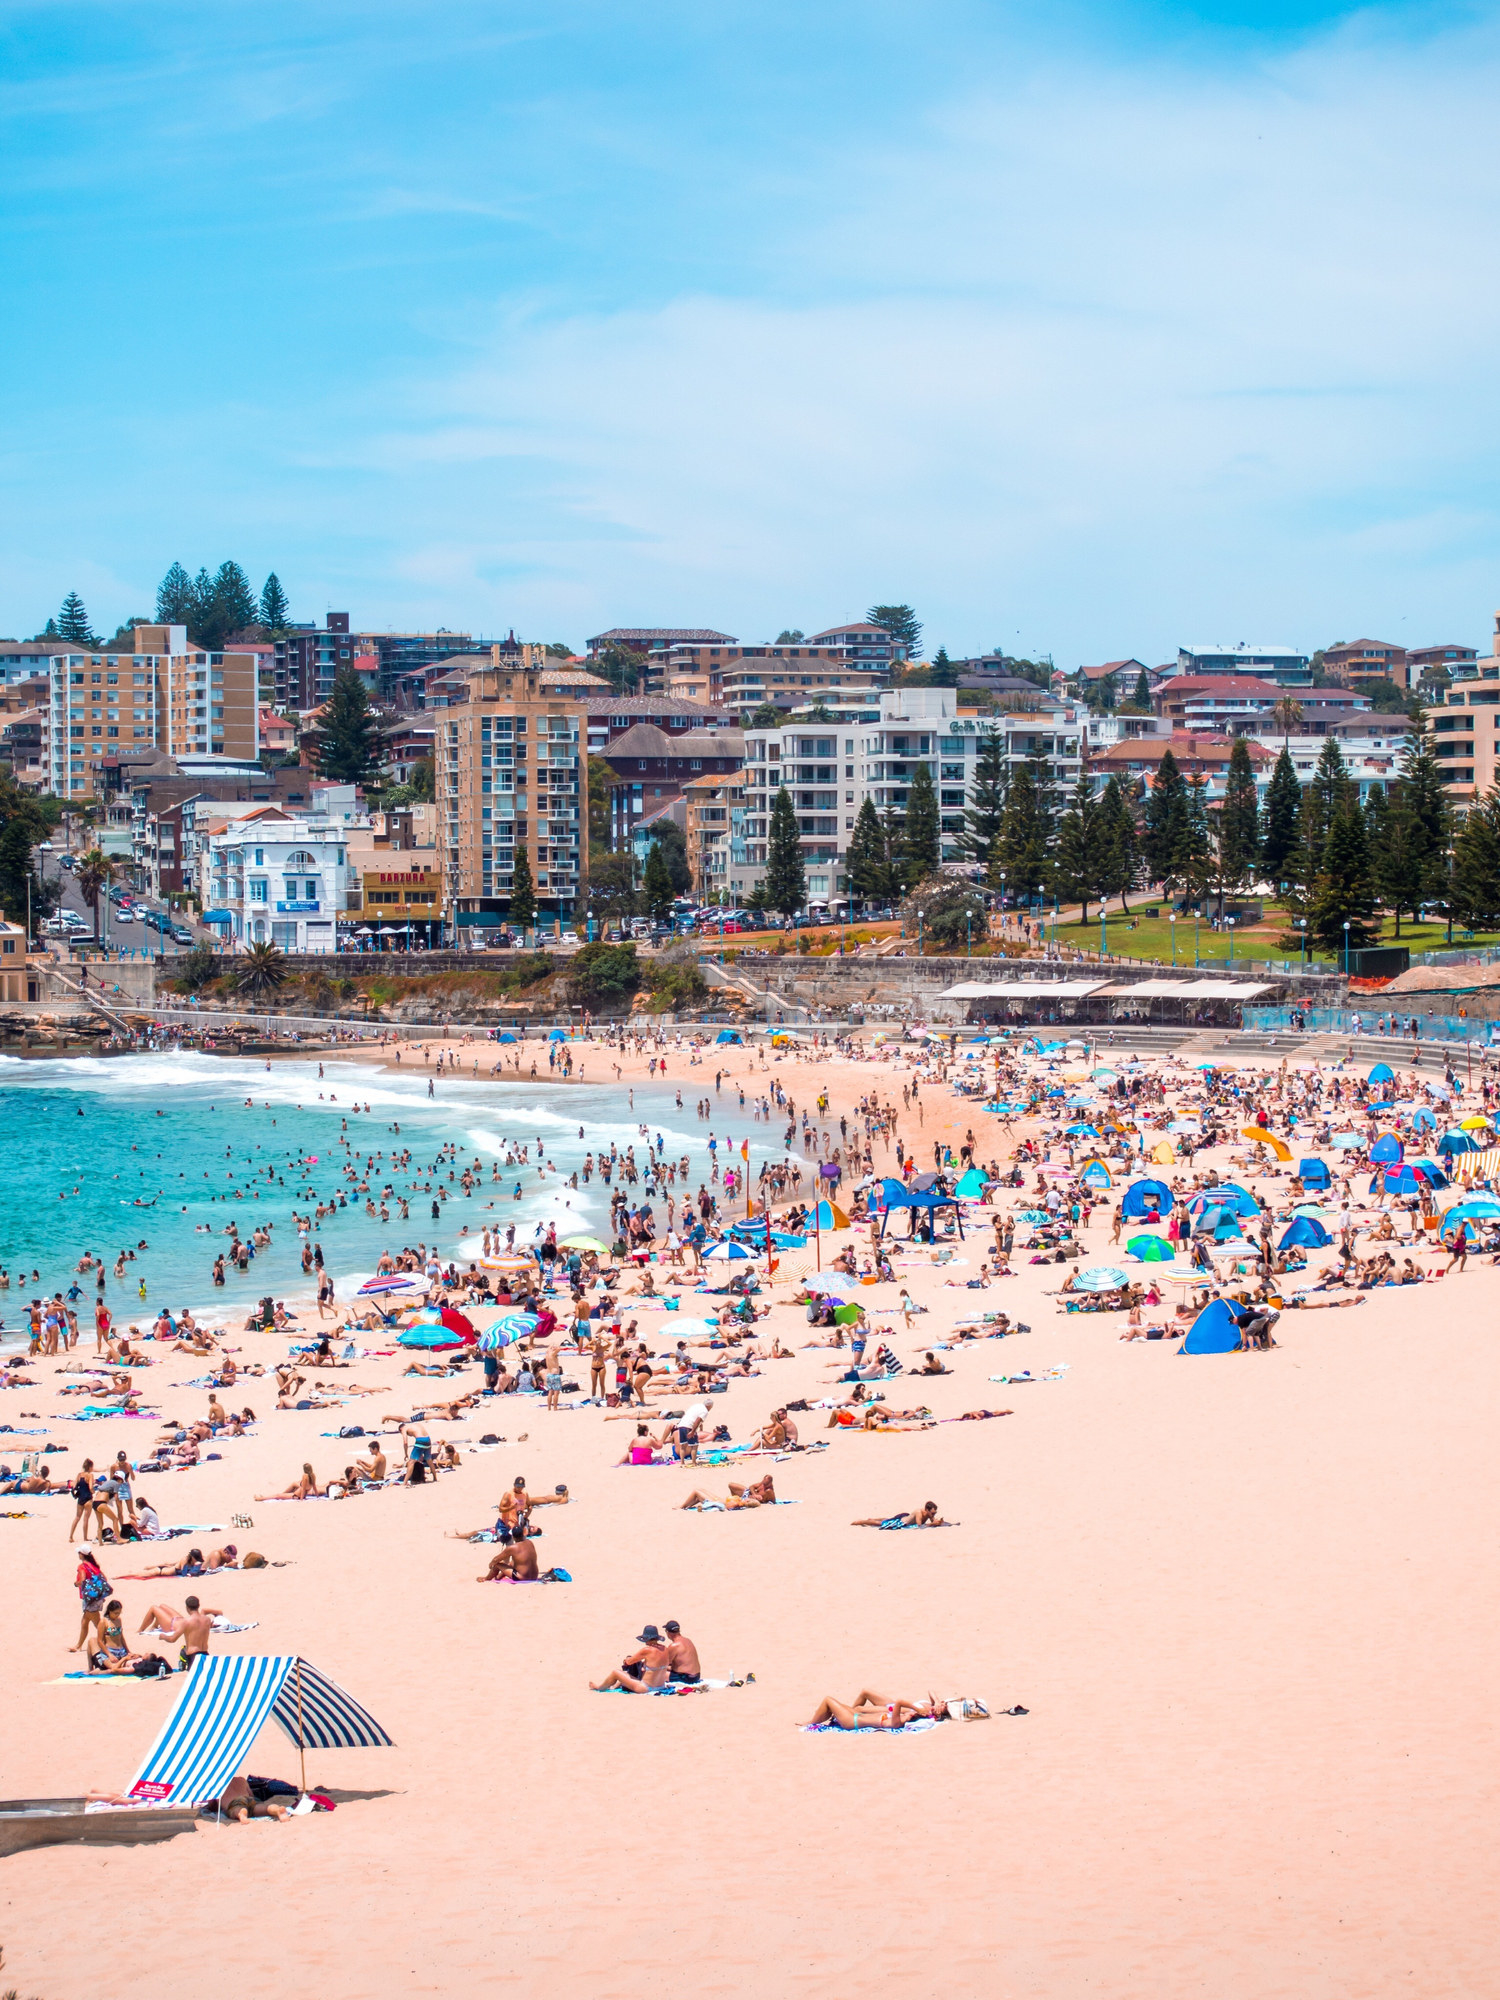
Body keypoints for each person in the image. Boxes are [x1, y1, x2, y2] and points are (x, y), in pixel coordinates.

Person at [804, 1690, 949, 1729]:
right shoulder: (898, 1718)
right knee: (841, 1707)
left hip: (853, 1720)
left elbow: (899, 1703)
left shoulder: (896, 1722)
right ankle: (817, 1720)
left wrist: (915, 1709)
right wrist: (935, 1703)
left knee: (828, 1701)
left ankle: (810, 1722)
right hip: (856, 1717)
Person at [590, 1624, 673, 1691]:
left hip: (646, 1688)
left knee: (615, 1672)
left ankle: (599, 1688)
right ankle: (615, 1685)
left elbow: (629, 1662)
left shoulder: (647, 1650)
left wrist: (627, 1659)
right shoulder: (665, 1649)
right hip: (661, 1686)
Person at [852, 1501, 954, 1528]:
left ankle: (871, 1518)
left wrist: (940, 1522)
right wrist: (933, 1524)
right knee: (881, 1523)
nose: (933, 1514)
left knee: (887, 1518)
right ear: (926, 1510)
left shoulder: (929, 1515)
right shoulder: (919, 1512)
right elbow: (919, 1526)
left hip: (905, 1516)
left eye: (935, 1513)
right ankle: (861, 1521)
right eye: (932, 1513)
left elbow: (933, 1521)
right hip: (900, 1522)